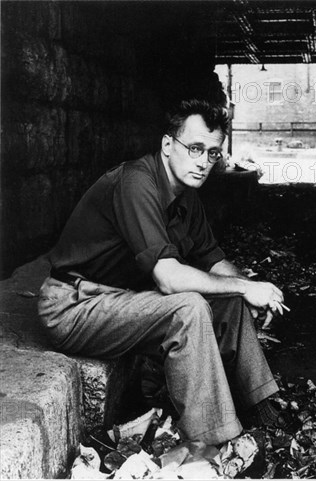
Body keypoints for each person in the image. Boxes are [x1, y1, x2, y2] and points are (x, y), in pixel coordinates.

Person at [37, 79, 285, 446]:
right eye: (195, 148)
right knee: (188, 307)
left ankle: (260, 407)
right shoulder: (136, 183)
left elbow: (216, 263)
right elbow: (169, 279)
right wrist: (246, 286)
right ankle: (208, 445)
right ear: (168, 145)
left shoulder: (187, 197)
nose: (204, 162)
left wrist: (248, 289)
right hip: (73, 306)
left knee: (230, 299)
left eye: (213, 153)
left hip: (120, 300)